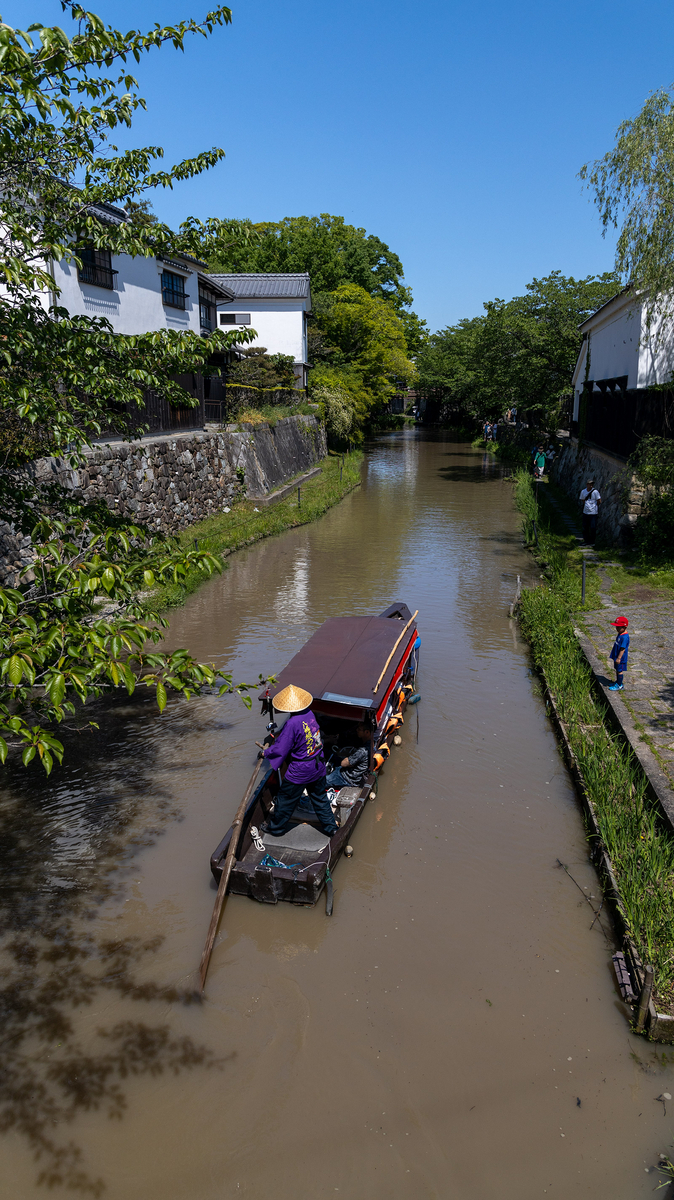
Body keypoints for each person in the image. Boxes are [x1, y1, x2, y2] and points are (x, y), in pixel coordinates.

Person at [260, 684, 338, 838]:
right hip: (318, 765)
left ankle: (276, 829)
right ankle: (332, 828)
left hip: (301, 770)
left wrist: (266, 752)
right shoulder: (309, 714)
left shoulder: (291, 723)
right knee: (320, 798)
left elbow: (280, 749)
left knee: (285, 799)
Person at [326, 724, 371, 790]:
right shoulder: (372, 744)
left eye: (359, 729)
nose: (356, 730)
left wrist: (347, 756)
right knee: (332, 756)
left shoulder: (363, 751)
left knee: (322, 782)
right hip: (354, 772)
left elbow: (343, 763)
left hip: (347, 778)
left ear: (367, 732)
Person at [608, 616, 629, 691]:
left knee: (619, 670)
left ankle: (619, 685)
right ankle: (617, 682)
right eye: (616, 627)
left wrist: (619, 658)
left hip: (620, 658)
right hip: (616, 655)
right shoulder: (620, 633)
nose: (616, 629)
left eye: (618, 627)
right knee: (617, 669)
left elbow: (623, 649)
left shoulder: (625, 637)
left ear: (624, 627)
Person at [579, 478, 601, 544]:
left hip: (593, 512)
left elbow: (599, 500)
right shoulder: (583, 491)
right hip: (586, 512)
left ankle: (592, 541)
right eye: (589, 484)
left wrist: (594, 506)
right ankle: (586, 540)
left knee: (593, 527)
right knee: (585, 527)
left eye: (592, 484)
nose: (591, 486)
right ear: (587, 485)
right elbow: (582, 499)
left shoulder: (595, 492)